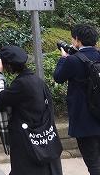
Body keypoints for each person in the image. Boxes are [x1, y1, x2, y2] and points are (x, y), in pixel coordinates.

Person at [0, 45, 63, 175]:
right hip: (44, 139)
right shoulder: (37, 80)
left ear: (9, 66)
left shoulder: (21, 84)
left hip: (28, 143)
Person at [54, 24, 100, 175]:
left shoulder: (72, 61)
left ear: (77, 40)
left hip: (84, 120)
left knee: (93, 163)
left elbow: (58, 77)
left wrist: (64, 58)